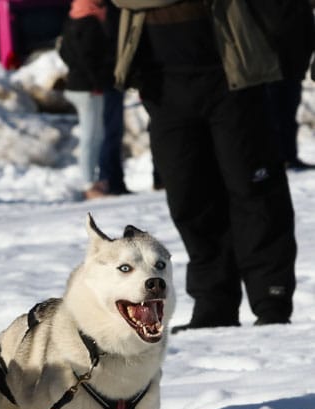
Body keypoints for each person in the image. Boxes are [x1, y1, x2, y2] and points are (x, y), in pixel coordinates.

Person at [113, 0, 297, 329]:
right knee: (190, 199)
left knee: (254, 192)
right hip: (163, 84)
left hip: (231, 73)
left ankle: (271, 298)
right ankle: (214, 303)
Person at [58, 0, 112, 199]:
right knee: (92, 136)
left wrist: (76, 70)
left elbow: (64, 51)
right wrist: (96, 82)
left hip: (76, 84)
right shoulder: (90, 23)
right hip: (88, 88)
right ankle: (89, 183)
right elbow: (89, 57)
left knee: (93, 135)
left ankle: (92, 180)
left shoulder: (71, 20)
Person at [263, 0, 315, 170]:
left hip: (293, 67)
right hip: (270, 67)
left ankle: (289, 156)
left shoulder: (300, 6)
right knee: (272, 117)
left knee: (288, 116)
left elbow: (309, 31)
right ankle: (276, 160)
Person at [96, 1, 130, 196]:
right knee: (109, 134)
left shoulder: (102, 13)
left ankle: (113, 181)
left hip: (109, 80)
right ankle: (109, 181)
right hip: (108, 81)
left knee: (111, 133)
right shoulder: (102, 15)